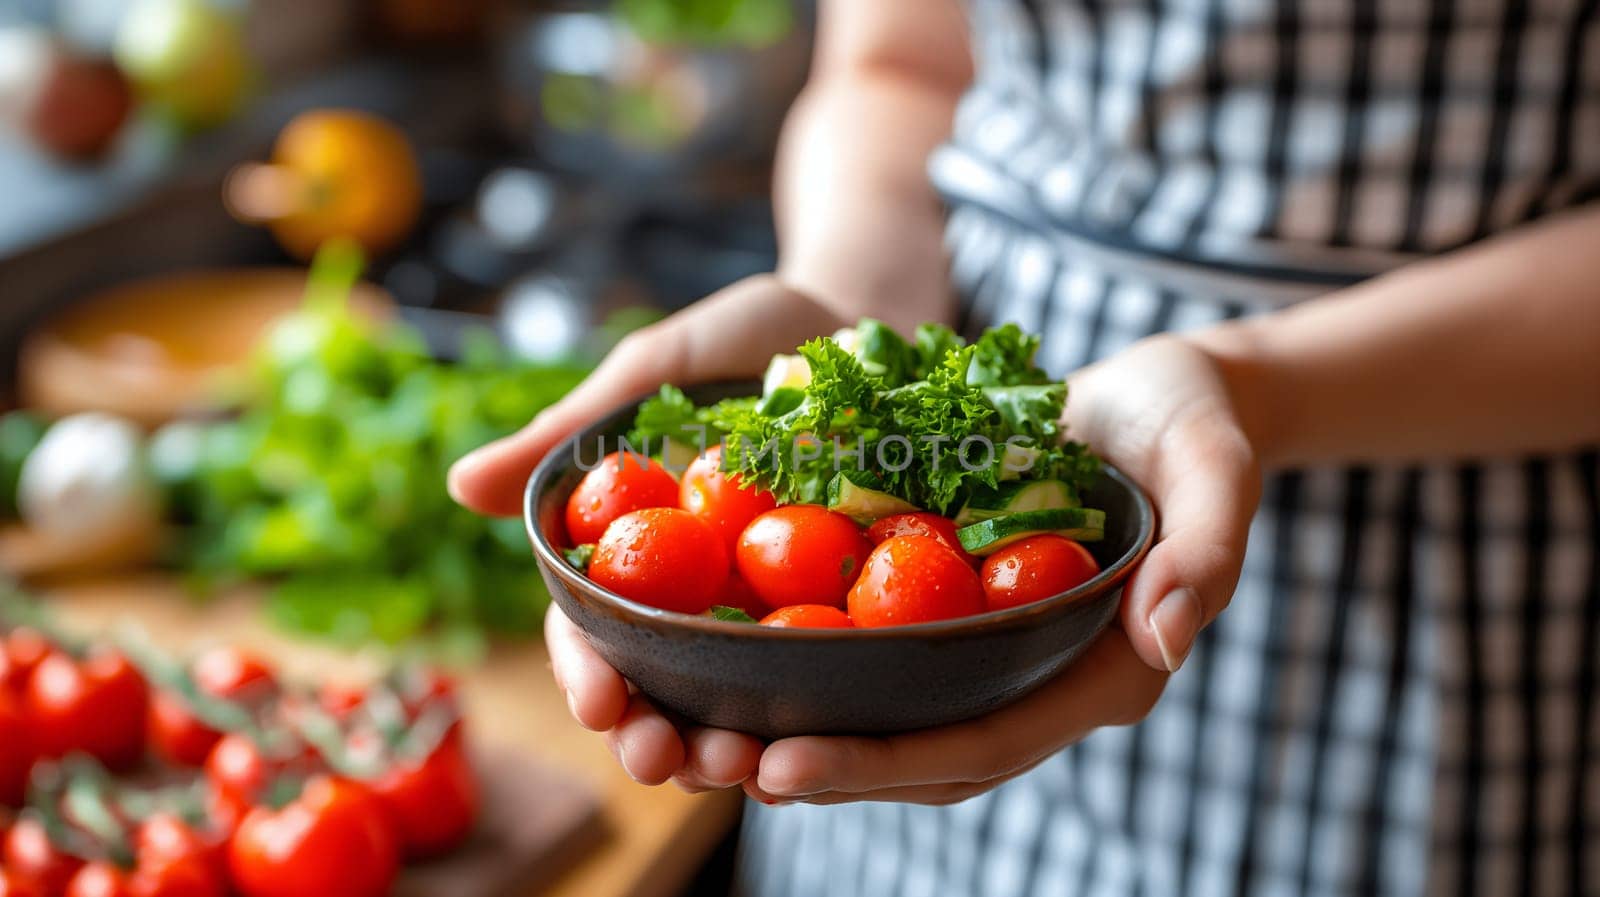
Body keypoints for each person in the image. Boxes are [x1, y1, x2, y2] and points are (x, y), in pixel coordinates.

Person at [449, 1, 1600, 893]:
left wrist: (1262, 386)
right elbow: (903, 69)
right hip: (964, 483)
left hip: (1452, 507)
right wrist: (847, 330)